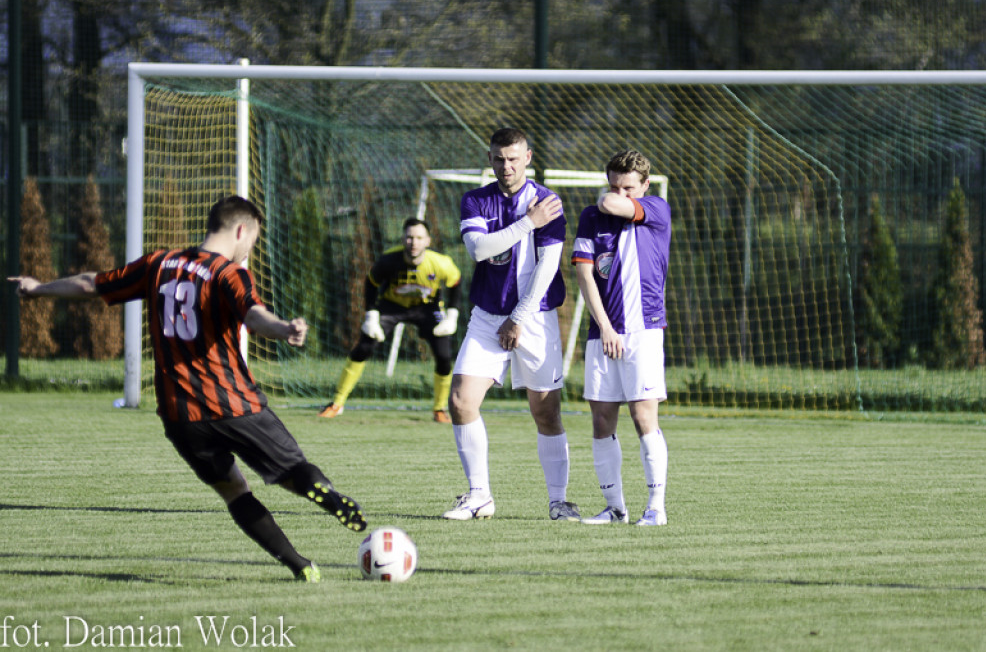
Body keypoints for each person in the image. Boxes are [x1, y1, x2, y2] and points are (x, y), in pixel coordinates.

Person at [8, 196, 367, 582]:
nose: (250, 249)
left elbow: (89, 283)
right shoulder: (228, 273)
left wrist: (38, 288)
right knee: (292, 471)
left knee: (234, 492)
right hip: (235, 404)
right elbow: (253, 314)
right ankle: (324, 494)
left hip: (180, 416)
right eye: (253, 240)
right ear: (241, 230)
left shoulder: (158, 263)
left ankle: (301, 567)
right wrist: (285, 329)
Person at [443, 127, 580, 522]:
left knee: (546, 412)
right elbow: (478, 250)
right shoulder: (476, 200)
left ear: (528, 157)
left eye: (514, 158)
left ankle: (558, 501)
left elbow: (548, 265)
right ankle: (479, 496)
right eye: (500, 158)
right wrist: (525, 224)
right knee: (460, 401)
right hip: (487, 315)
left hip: (534, 318)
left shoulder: (548, 202)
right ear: (490, 159)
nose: (507, 166)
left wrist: (518, 318)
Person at [571, 150, 671, 526]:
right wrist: (606, 327)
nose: (619, 193)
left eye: (628, 186)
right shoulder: (590, 218)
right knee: (601, 419)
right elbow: (584, 275)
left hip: (644, 330)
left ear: (645, 186)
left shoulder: (657, 209)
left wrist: (611, 197)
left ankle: (656, 507)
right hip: (603, 332)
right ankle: (615, 509)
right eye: (613, 184)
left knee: (643, 414)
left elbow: (613, 203)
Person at [318, 218, 462, 423]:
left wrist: (452, 314)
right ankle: (336, 403)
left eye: (419, 238)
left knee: (444, 355)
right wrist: (371, 315)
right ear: (403, 238)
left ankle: (439, 409)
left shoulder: (441, 263)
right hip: (392, 306)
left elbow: (456, 282)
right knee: (364, 347)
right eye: (410, 237)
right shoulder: (388, 260)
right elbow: (371, 283)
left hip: (427, 308)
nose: (414, 242)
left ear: (428, 241)